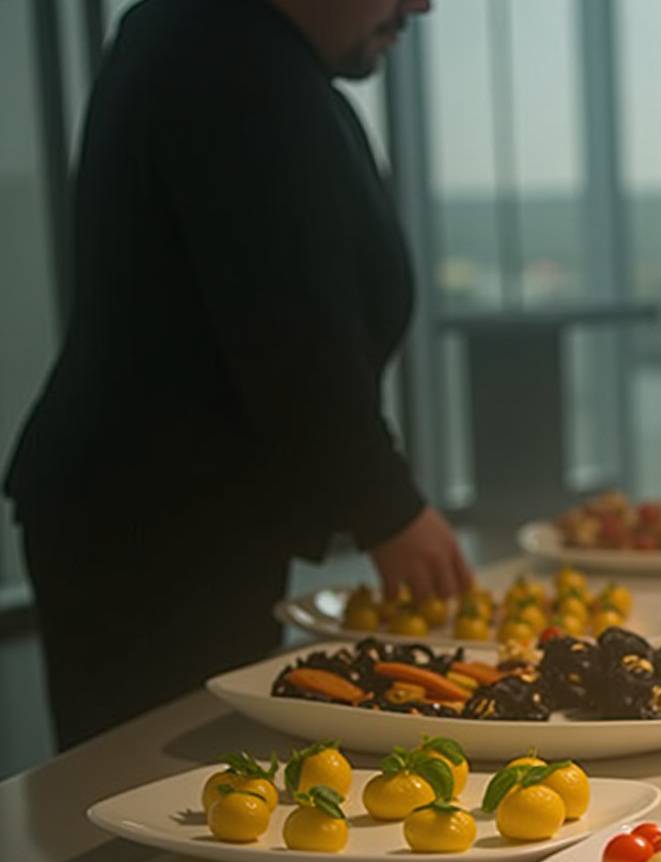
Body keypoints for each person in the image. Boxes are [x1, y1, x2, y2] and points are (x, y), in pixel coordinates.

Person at [3, 0, 468, 750]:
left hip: (181, 528)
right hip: (152, 538)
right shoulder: (219, 51)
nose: (420, 4)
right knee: (149, 811)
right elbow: (287, 320)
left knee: (189, 800)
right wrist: (387, 505)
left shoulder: (250, 57)